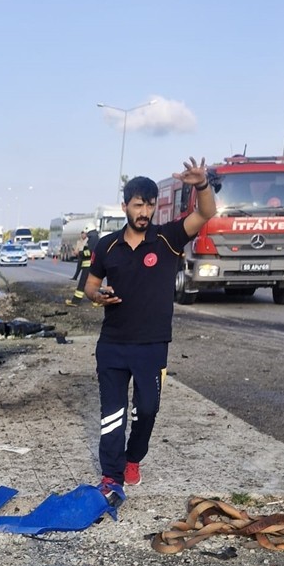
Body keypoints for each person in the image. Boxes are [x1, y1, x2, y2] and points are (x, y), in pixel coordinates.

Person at [83, 157, 216, 494]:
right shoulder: (106, 245)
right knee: (112, 414)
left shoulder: (168, 237)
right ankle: (111, 475)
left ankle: (133, 458)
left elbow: (205, 214)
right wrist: (98, 297)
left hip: (152, 345)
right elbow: (90, 285)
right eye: (138, 205)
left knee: (147, 409)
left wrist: (201, 185)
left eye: (150, 205)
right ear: (125, 205)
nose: (144, 212)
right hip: (112, 344)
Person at [65, 232, 92, 306]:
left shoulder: (91, 240)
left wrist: (80, 253)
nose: (83, 235)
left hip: (88, 263)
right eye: (82, 234)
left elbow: (90, 251)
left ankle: (76, 301)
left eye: (84, 233)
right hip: (84, 261)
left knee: (84, 283)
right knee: (87, 282)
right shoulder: (81, 241)